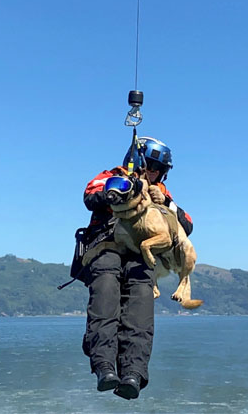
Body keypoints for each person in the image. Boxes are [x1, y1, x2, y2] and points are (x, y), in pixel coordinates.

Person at [76, 136, 192, 400]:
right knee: (106, 294)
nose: (152, 174)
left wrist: (165, 202)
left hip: (140, 254)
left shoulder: (160, 192)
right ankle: (104, 366)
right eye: (149, 167)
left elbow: (186, 224)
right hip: (105, 246)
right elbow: (91, 196)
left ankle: (133, 373)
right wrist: (118, 192)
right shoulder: (111, 176)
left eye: (157, 170)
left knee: (140, 307)